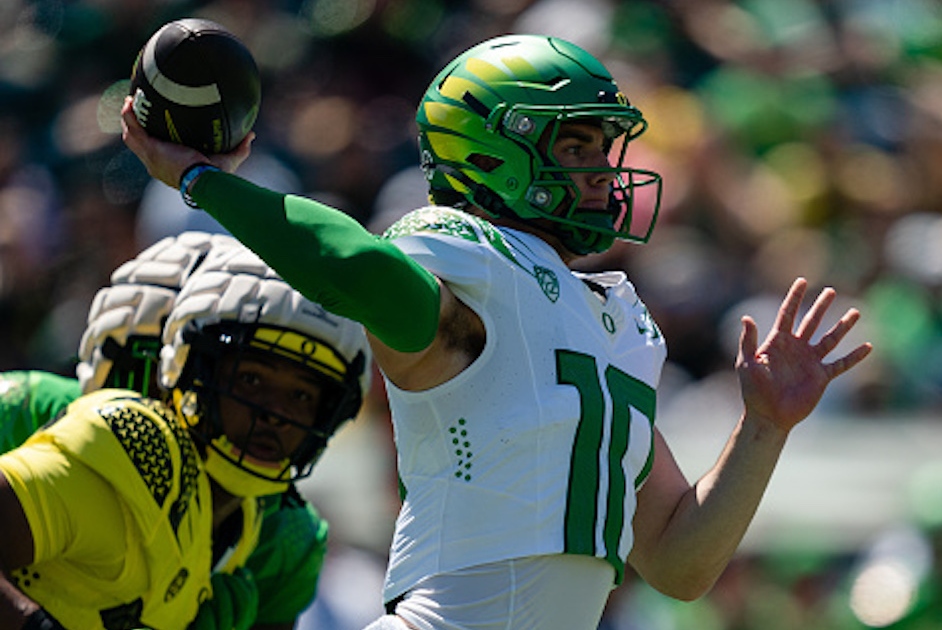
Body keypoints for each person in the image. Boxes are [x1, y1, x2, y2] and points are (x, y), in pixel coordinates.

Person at [121, 33, 872, 630]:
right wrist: (205, 182)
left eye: (601, 149)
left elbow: (679, 563)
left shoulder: (612, 317)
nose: (604, 173)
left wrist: (765, 426)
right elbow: (361, 273)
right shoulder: (466, 259)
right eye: (574, 148)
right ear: (490, 152)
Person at [0, 245, 371, 630]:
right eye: (250, 379)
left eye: (300, 395)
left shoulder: (269, 528)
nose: (274, 415)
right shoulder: (80, 423)